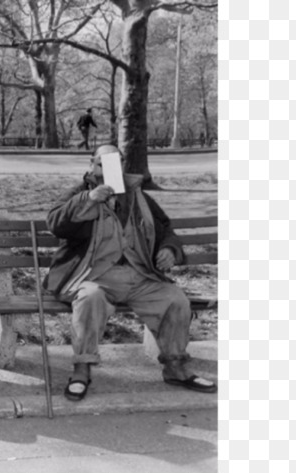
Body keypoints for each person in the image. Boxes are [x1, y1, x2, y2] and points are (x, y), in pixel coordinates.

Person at [44, 144, 217, 402]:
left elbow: (164, 227)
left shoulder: (138, 196)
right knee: (89, 298)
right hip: (94, 277)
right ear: (92, 164)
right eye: (103, 163)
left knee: (175, 299)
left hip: (139, 275)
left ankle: (175, 367)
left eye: (116, 163)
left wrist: (170, 248)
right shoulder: (80, 193)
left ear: (123, 166)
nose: (109, 169)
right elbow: (55, 224)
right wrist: (87, 200)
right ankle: (82, 368)